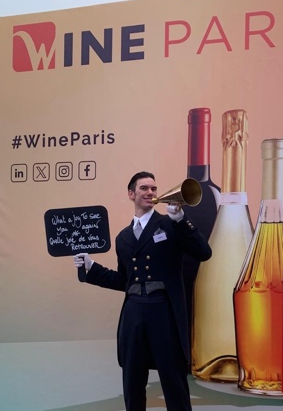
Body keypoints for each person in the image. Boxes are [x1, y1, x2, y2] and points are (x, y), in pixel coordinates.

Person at [73, 171, 212, 411]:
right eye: (144, 188)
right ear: (131, 194)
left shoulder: (170, 225)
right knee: (132, 380)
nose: (150, 192)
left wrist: (181, 220)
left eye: (153, 188)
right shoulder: (123, 237)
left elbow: (204, 252)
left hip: (163, 310)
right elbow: (124, 281)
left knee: (173, 378)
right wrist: (91, 267)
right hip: (133, 312)